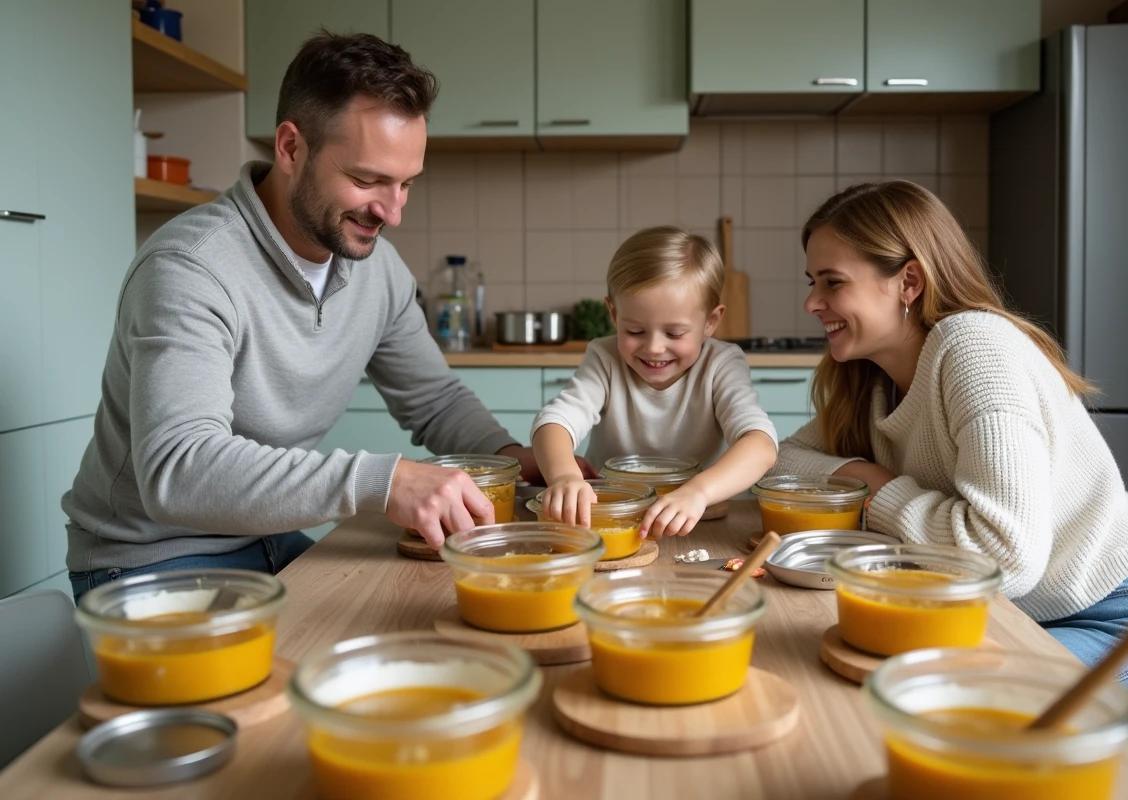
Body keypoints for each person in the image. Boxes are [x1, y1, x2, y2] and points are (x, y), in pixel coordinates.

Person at [63, 32, 565, 601]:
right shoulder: (190, 267)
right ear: (291, 148)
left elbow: (436, 401)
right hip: (151, 561)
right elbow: (179, 470)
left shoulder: (378, 269)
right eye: (368, 180)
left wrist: (513, 460)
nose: (391, 212)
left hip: (269, 540)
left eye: (405, 185)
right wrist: (384, 480)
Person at [776, 180, 1128, 737]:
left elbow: (1005, 557)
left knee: (974, 738)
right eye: (813, 283)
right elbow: (782, 460)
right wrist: (861, 477)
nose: (811, 303)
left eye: (833, 283)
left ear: (908, 281)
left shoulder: (973, 348)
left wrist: (877, 492)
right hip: (1012, 618)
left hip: (1125, 621)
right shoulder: (873, 385)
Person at [531, 226, 778, 539]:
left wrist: (698, 492)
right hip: (614, 517)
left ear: (711, 322)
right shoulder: (604, 357)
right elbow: (554, 422)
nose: (654, 348)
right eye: (635, 331)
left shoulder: (721, 363)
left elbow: (761, 445)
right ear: (613, 314)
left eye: (674, 333)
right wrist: (564, 477)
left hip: (700, 522)